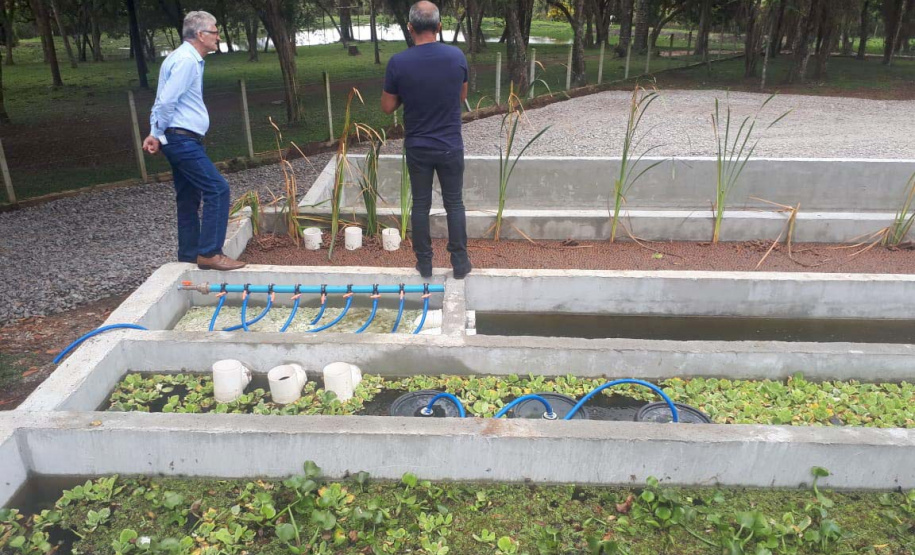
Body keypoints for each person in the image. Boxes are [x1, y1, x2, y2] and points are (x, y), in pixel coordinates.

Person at [142, 11, 245, 272]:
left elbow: (162, 99)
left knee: (188, 197)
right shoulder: (187, 61)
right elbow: (166, 102)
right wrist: (158, 132)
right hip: (181, 139)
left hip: (177, 138)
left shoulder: (179, 58)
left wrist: (156, 132)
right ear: (200, 35)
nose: (218, 37)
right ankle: (210, 253)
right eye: (215, 31)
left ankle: (189, 254)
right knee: (217, 188)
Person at [381, 1, 472, 279]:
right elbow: (462, 96)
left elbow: (387, 107)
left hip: (418, 147)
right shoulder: (456, 57)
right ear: (439, 26)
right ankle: (459, 263)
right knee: (454, 203)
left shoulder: (399, 62)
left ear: (410, 28)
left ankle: (425, 264)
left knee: (420, 205)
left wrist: (406, 94)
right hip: (450, 145)